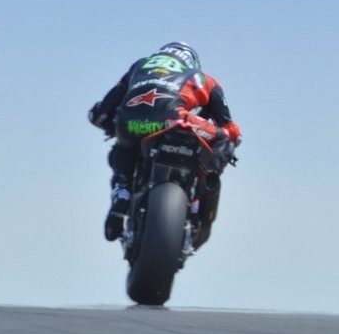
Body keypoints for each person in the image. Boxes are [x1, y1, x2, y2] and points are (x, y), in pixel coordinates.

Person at [88, 42, 242, 244]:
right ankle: (205, 185)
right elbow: (231, 129)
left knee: (123, 148)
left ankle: (122, 193)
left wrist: (111, 126)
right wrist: (227, 146)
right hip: (174, 120)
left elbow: (99, 113)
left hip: (132, 123)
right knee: (224, 137)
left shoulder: (140, 66)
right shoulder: (202, 78)